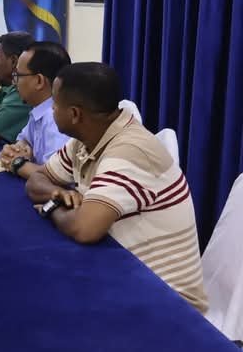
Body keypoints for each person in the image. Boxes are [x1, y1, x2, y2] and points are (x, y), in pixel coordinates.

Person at [25, 63, 207, 312]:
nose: (52, 109)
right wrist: (59, 194)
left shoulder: (129, 151)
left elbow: (84, 229)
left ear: (75, 114)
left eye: (55, 104)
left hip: (168, 303)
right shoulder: (87, 139)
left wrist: (51, 208)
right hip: (126, 275)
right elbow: (37, 179)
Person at [0, 42, 72, 179]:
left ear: (39, 81)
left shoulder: (55, 118)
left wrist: (17, 163)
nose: (14, 82)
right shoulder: (39, 110)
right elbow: (24, 141)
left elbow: (56, 177)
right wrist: (15, 150)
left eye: (18, 76)